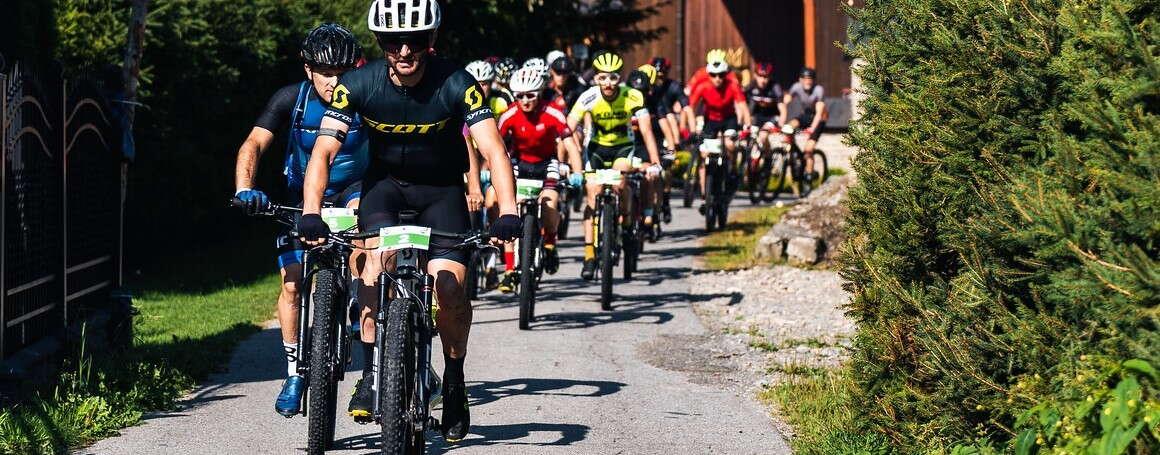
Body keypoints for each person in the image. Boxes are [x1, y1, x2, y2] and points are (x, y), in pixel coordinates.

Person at [295, 0, 520, 442]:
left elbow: (494, 150)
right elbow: (323, 151)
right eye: (393, 42)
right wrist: (309, 211)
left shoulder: (458, 84)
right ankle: (375, 371)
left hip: (442, 194)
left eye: (415, 40)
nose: (404, 51)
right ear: (379, 43)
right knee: (374, 267)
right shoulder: (358, 85)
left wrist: (507, 211)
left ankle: (453, 380)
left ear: (430, 40)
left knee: (450, 289)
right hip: (386, 190)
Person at [232, 23, 367, 418]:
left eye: (343, 71)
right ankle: (294, 372)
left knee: (363, 243)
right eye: (326, 72)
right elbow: (254, 143)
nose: (334, 81)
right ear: (308, 69)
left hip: (353, 190)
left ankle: (362, 308)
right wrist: (245, 188)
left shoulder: (367, 98)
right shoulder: (291, 99)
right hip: (299, 197)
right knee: (292, 283)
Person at [566, 52, 661, 280]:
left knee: (620, 182)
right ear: (596, 79)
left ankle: (627, 223)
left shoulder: (633, 96)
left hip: (622, 147)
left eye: (613, 78)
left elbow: (646, 130)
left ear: (620, 78)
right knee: (592, 192)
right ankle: (589, 255)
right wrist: (566, 160)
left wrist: (655, 162)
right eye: (603, 78)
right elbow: (567, 127)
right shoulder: (588, 97)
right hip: (597, 150)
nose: (608, 83)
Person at [494, 67, 583, 291]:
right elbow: (495, 147)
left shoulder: (552, 112)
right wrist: (488, 170)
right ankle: (509, 270)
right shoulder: (509, 114)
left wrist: (578, 172)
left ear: (540, 92)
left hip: (547, 163)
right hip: (519, 163)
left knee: (550, 200)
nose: (525, 100)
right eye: (520, 96)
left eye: (530, 95)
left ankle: (551, 243)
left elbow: (570, 143)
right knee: (510, 210)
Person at [688, 57, 751, 208]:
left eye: (721, 75)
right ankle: (705, 195)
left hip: (728, 119)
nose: (718, 79)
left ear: (725, 74)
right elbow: (690, 107)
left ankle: (732, 170)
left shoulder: (732, 86)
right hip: (711, 121)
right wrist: (692, 128)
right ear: (709, 75)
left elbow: (742, 106)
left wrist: (747, 126)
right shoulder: (703, 87)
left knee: (730, 144)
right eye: (714, 75)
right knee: (704, 154)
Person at [778, 67, 827, 180]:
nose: (807, 82)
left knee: (808, 149)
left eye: (810, 79)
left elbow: (819, 113)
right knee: (788, 127)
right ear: (800, 80)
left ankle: (809, 172)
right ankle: (793, 156)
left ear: (814, 81)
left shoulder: (819, 90)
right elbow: (786, 100)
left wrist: (811, 129)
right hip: (806, 115)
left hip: (819, 119)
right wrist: (782, 112)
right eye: (805, 79)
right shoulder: (796, 87)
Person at [746, 61, 784, 155]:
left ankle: (768, 158)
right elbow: (742, 104)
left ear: (770, 77)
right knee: (749, 136)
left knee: (763, 136)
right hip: (758, 116)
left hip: (772, 117)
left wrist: (781, 124)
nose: (762, 80)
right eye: (760, 76)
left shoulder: (775, 87)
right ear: (755, 75)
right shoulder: (751, 86)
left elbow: (783, 109)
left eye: (766, 77)